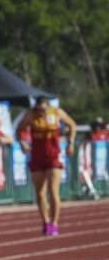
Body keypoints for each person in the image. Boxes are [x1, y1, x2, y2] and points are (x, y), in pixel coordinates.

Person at [17, 97, 77, 235]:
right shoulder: (30, 115)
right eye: (38, 109)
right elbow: (20, 129)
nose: (40, 112)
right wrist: (22, 142)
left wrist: (71, 142)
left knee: (53, 191)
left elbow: (72, 125)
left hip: (53, 156)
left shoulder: (56, 112)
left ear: (47, 107)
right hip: (37, 157)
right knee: (40, 193)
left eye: (43, 110)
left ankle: (54, 223)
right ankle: (45, 221)